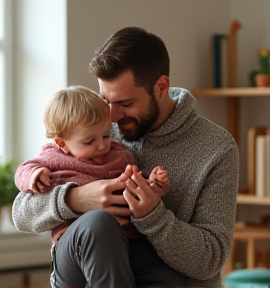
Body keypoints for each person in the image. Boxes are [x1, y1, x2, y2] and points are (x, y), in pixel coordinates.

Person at [12, 27, 239, 288]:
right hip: (85, 266)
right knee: (97, 224)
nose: (112, 117)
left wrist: (152, 215)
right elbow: (22, 214)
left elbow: (210, 260)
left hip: (161, 274)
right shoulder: (95, 128)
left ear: (161, 87)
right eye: (105, 100)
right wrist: (75, 199)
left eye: (126, 103)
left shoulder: (216, 148)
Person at [14, 85, 169, 242]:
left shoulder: (119, 155)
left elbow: (135, 185)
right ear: (62, 143)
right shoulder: (53, 156)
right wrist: (34, 174)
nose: (102, 146)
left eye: (106, 135)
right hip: (76, 238)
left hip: (124, 235)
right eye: (89, 142)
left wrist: (152, 183)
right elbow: (23, 169)